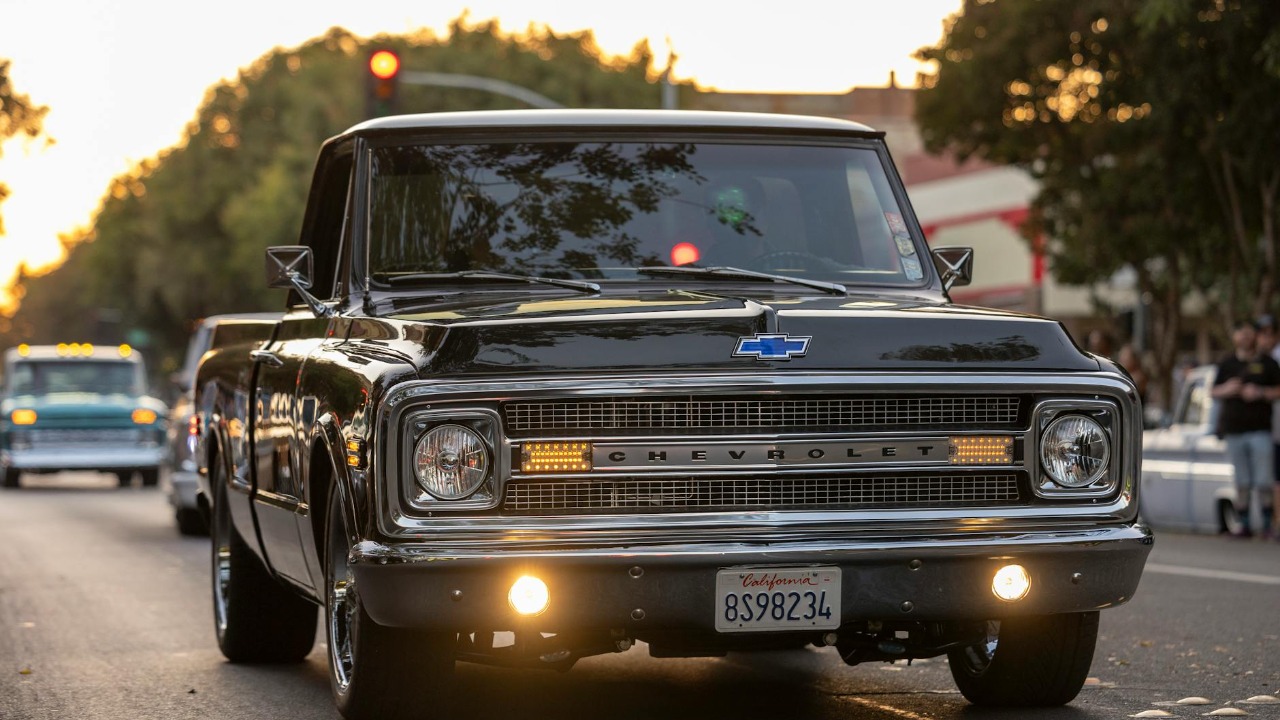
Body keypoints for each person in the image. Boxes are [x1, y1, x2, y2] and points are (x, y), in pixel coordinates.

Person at [1211, 318, 1280, 537]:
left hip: (1260, 429)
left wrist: (1259, 393)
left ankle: (1268, 524)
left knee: (1264, 479)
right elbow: (1212, 391)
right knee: (1241, 479)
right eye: (1241, 332)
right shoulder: (1227, 363)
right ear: (1235, 337)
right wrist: (1228, 389)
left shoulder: (1268, 363)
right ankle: (1244, 523)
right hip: (1234, 430)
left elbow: (1278, 390)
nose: (1245, 337)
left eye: (1250, 333)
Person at [1257, 313, 1280, 540]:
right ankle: (1274, 523)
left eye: (1268, 334)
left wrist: (1261, 393)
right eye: (1260, 334)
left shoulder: (1274, 359)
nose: (1264, 338)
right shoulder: (1261, 359)